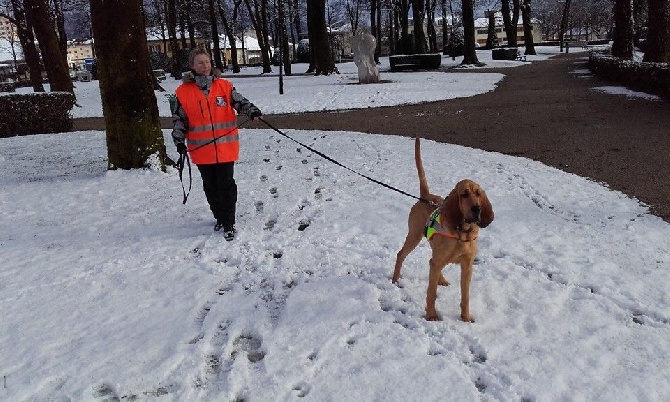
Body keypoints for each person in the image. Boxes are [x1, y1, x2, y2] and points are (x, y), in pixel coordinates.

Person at [172, 48, 262, 241]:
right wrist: (178, 141)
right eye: (200, 62)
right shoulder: (181, 92)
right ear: (192, 66)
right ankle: (219, 217)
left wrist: (252, 111)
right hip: (201, 149)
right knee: (210, 186)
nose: (204, 66)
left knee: (226, 185)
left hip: (225, 147)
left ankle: (229, 222)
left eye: (207, 61)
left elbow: (241, 103)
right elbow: (179, 119)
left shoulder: (224, 86)